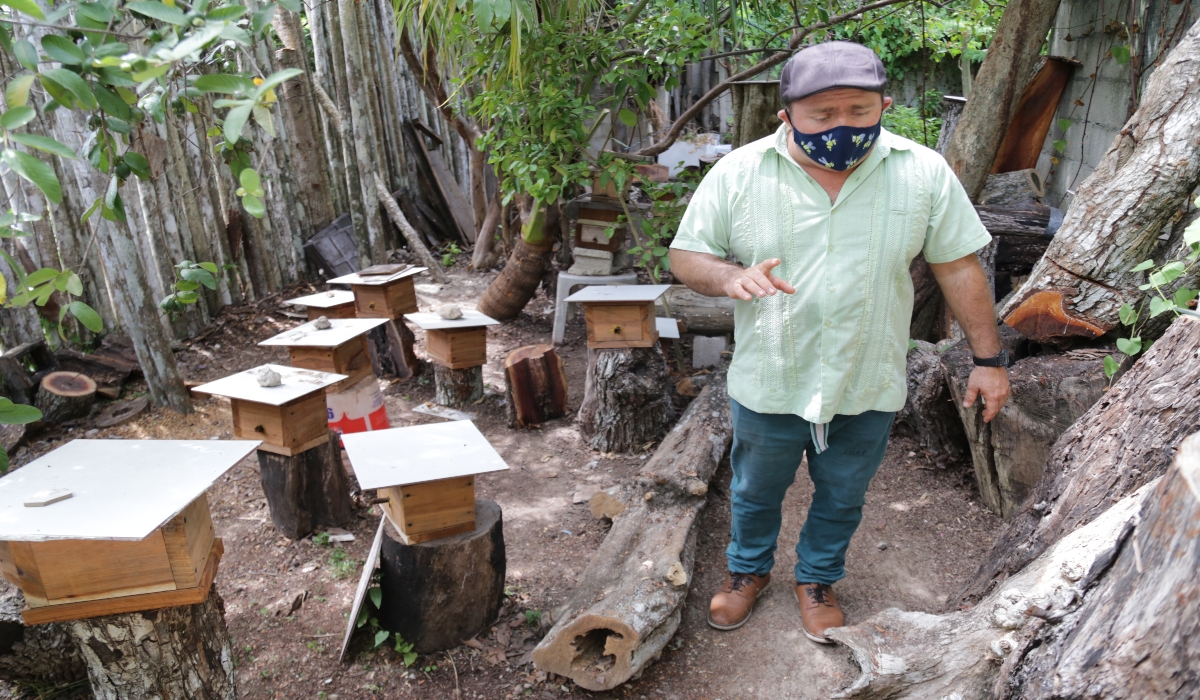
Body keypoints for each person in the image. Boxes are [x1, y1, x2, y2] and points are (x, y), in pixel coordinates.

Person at [668, 40, 1010, 644]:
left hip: (866, 375)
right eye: (822, 116)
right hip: (772, 375)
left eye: (858, 111)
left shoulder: (923, 172)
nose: (842, 127)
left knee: (845, 493)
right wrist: (728, 276)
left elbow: (959, 265)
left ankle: (817, 579)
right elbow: (685, 254)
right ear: (787, 115)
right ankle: (747, 573)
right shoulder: (741, 172)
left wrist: (989, 360)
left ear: (885, 104)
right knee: (754, 489)